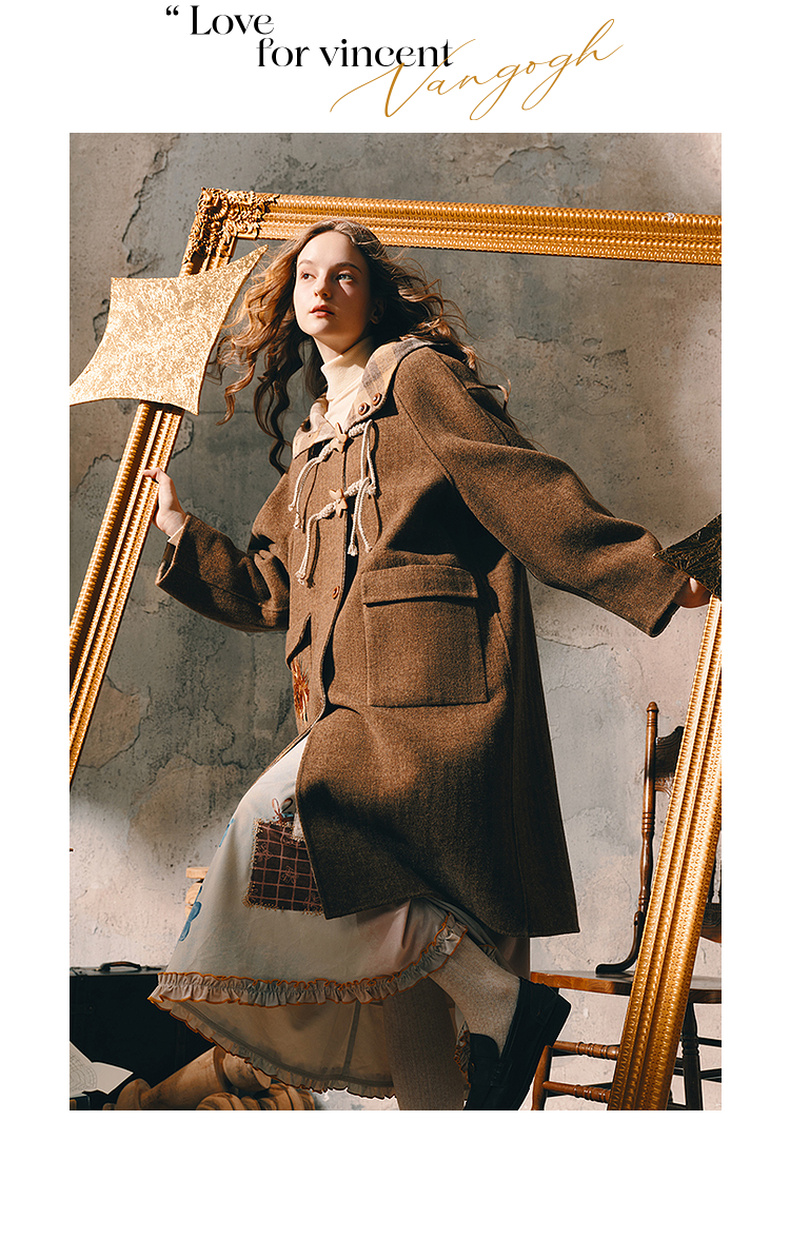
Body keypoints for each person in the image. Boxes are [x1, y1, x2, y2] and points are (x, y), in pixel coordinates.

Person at [143, 219, 708, 1111]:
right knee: (397, 986)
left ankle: (502, 1006)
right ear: (291, 302)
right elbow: (270, 592)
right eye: (307, 277)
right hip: (349, 706)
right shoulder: (315, 441)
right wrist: (179, 530)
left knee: (292, 826)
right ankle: (470, 1075)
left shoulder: (417, 377)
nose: (322, 289)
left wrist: (654, 576)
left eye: (344, 275)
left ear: (375, 296)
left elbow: (518, 481)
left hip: (437, 696)